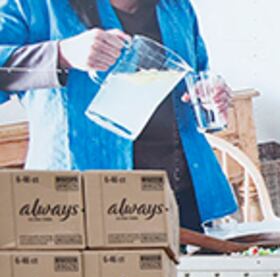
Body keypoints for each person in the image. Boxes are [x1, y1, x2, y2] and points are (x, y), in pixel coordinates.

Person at [0, 0, 238, 230]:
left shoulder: (177, 7)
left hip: (181, 199)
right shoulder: (33, 5)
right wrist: (61, 54)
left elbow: (198, 77)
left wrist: (212, 97)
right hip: (81, 204)